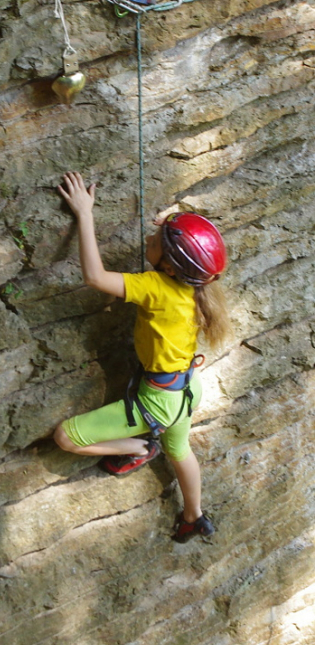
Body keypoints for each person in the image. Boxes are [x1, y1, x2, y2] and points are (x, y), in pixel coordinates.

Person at [53, 171, 231, 543]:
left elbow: (95, 277)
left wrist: (85, 214)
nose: (149, 238)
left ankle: (140, 446)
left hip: (158, 402)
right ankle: (193, 515)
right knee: (180, 449)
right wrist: (170, 225)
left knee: (66, 437)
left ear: (168, 267)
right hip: (186, 389)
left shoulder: (154, 287)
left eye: (156, 240)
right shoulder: (194, 288)